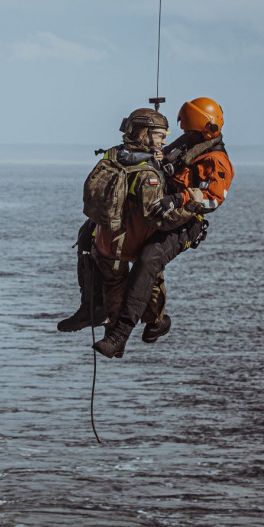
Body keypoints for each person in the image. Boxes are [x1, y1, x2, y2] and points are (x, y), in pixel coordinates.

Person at [92, 97, 234, 359]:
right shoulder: (186, 147)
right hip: (160, 209)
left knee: (149, 258)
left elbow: (213, 198)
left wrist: (180, 199)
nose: (186, 134)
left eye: (191, 130)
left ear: (206, 130)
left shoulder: (216, 161)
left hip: (186, 222)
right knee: (95, 236)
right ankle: (115, 313)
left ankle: (120, 334)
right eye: (186, 130)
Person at [56, 107, 184, 352]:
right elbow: (156, 216)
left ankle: (110, 335)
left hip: (107, 241)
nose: (164, 140)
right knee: (149, 282)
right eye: (159, 135)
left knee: (112, 283)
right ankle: (155, 322)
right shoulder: (149, 173)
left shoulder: (111, 157)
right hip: (135, 242)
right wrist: (189, 211)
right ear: (143, 133)